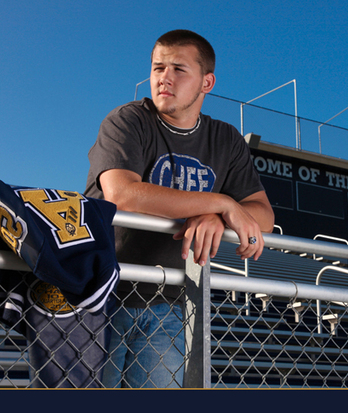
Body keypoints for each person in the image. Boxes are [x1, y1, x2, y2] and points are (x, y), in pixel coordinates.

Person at [84, 29, 275, 388]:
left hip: (168, 303)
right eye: (157, 68)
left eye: (178, 69)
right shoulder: (128, 120)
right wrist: (219, 202)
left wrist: (215, 215)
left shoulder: (225, 139)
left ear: (207, 82)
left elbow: (262, 215)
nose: (164, 78)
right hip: (101, 296)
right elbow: (123, 195)